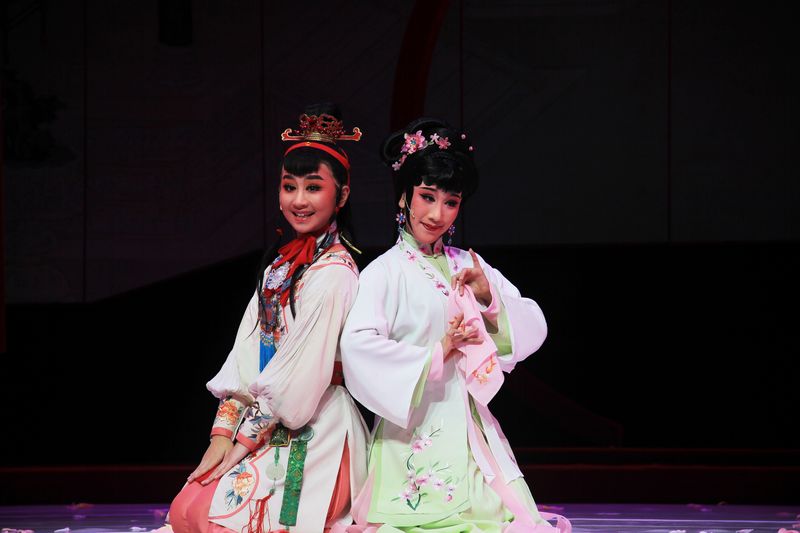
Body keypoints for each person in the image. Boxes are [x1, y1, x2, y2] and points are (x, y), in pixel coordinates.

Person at [340, 118, 570, 532]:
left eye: (451, 202)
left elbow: (532, 326)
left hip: (471, 424)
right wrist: (438, 351)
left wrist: (488, 298)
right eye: (427, 197)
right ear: (404, 197)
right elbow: (357, 347)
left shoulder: (470, 265)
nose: (437, 214)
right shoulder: (383, 272)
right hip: (412, 425)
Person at [165, 104, 369, 533]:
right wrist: (221, 435)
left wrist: (240, 444)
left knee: (209, 518)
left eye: (313, 188)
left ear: (342, 195)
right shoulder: (278, 267)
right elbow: (244, 352)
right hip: (264, 420)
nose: (298, 200)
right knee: (185, 509)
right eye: (289, 186)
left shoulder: (335, 273)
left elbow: (299, 381)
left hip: (315, 424)